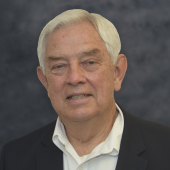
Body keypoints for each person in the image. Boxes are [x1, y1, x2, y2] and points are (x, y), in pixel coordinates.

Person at [1, 9, 170, 170]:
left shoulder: (165, 149)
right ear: (45, 80)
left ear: (117, 72)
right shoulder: (14, 159)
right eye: (59, 66)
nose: (75, 78)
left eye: (89, 62)